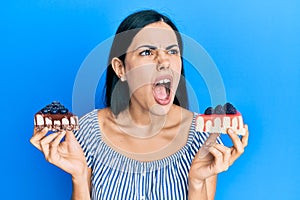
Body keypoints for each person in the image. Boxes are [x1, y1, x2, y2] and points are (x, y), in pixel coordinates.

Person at [30, 10, 249, 200]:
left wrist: (197, 183)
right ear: (121, 69)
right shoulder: (87, 132)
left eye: (172, 51)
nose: (164, 61)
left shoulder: (201, 138)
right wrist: (79, 176)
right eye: (147, 52)